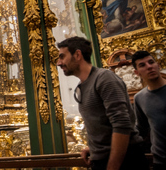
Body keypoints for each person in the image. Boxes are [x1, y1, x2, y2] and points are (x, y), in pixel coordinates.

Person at [56, 36, 148, 170]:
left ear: (77, 55)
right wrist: (94, 149)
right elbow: (101, 125)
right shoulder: (83, 86)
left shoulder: (104, 79)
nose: (59, 63)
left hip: (125, 160)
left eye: (62, 57)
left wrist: (112, 166)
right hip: (102, 159)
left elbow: (121, 124)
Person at [132, 50, 166, 169]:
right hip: (161, 161)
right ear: (137, 73)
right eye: (142, 65)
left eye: (151, 62)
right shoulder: (139, 98)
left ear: (158, 65)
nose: (149, 67)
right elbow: (140, 129)